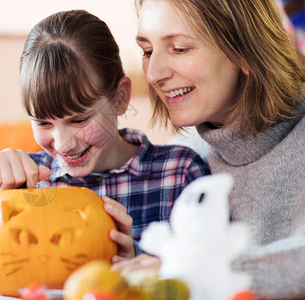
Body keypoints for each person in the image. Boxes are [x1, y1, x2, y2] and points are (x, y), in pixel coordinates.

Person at [0, 9, 210, 292]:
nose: (63, 144)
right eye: (43, 122)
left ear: (120, 98)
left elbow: (213, 281)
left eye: (80, 119)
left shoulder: (179, 174)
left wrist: (144, 270)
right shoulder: (19, 187)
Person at [114, 0, 305, 298]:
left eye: (179, 48)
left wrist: (194, 271)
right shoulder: (181, 160)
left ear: (244, 50)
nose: (153, 74)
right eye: (147, 51)